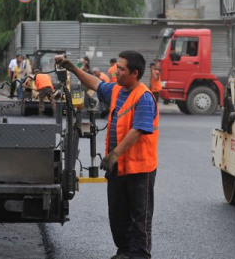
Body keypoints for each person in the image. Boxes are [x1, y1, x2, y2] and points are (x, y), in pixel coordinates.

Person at [55, 51, 158, 259]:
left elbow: (138, 129)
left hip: (139, 169)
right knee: (118, 214)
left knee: (140, 216)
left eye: (121, 69)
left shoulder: (144, 97)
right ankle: (124, 251)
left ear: (134, 73)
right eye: (117, 67)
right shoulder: (117, 90)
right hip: (118, 168)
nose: (116, 72)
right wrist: (73, 69)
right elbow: (95, 84)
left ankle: (139, 255)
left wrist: (114, 154)